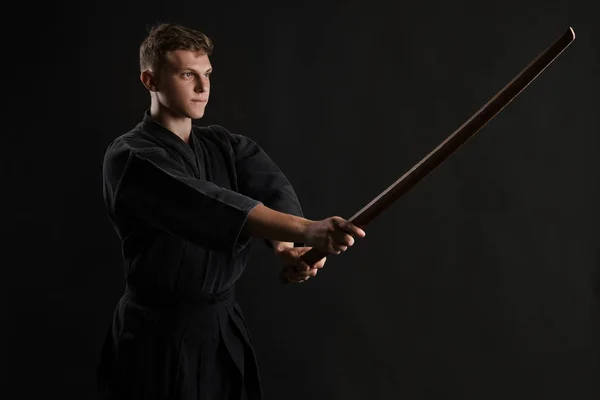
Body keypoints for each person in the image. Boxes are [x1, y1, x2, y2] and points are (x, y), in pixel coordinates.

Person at [96, 22, 366, 400]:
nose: (203, 88)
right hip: (156, 336)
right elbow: (206, 204)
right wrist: (308, 230)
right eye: (187, 74)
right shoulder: (131, 157)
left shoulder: (223, 144)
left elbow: (270, 187)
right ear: (150, 80)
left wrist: (287, 246)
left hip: (221, 328)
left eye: (206, 74)